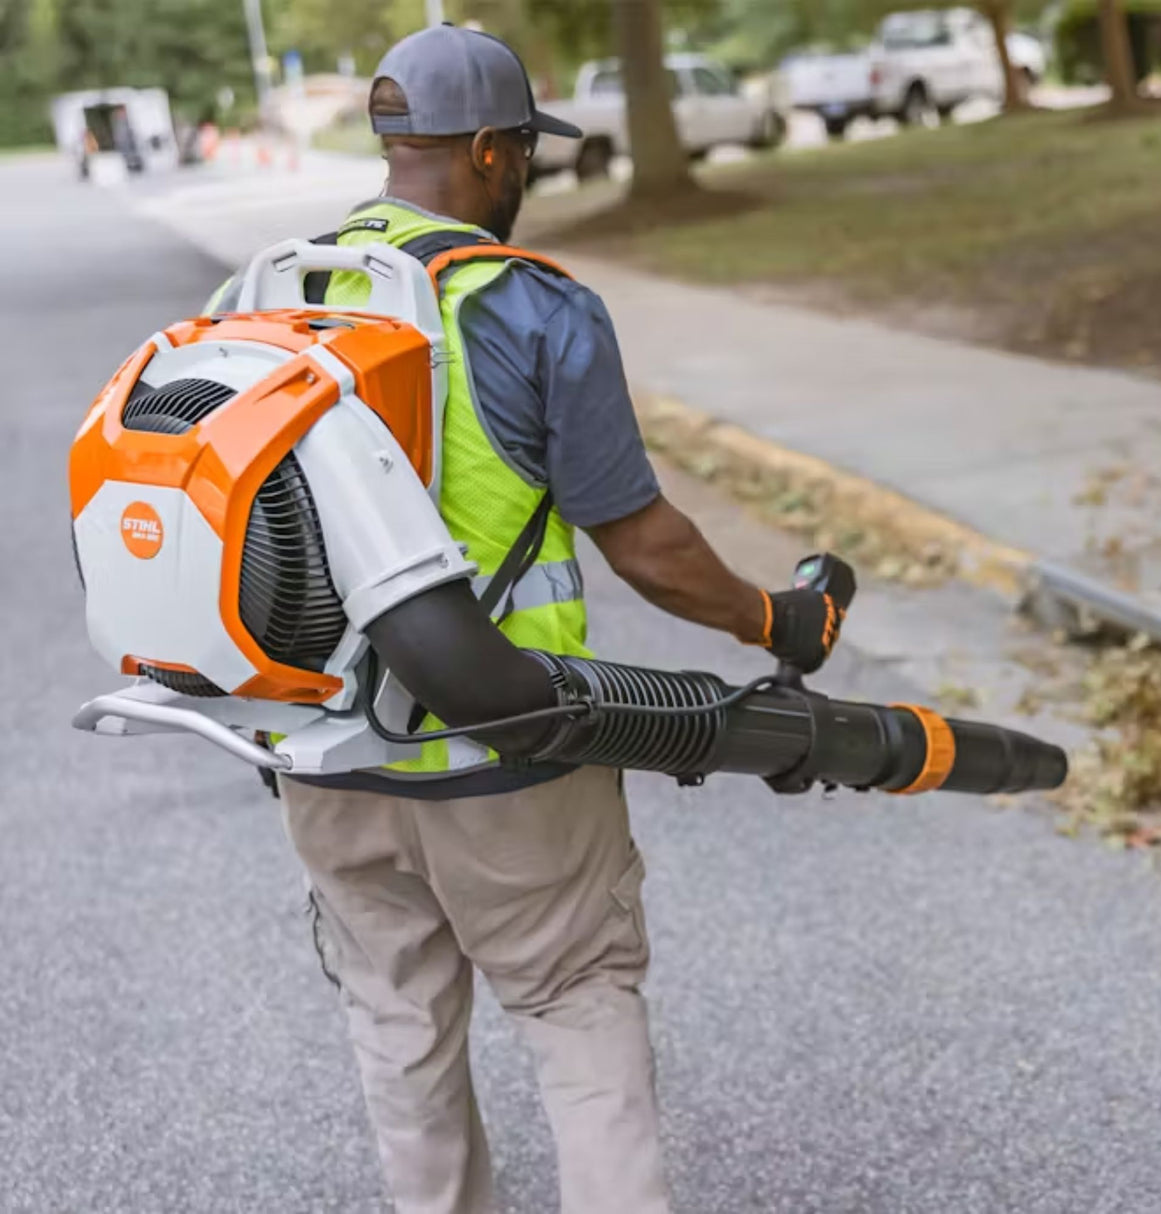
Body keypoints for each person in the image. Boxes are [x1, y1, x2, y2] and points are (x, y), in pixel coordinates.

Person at [211, 25, 845, 1214]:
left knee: (397, 1026)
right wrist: (776, 617)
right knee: (576, 1005)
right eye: (527, 153)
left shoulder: (269, 287)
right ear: (495, 152)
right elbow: (645, 545)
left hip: (330, 760)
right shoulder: (529, 305)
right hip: (510, 757)